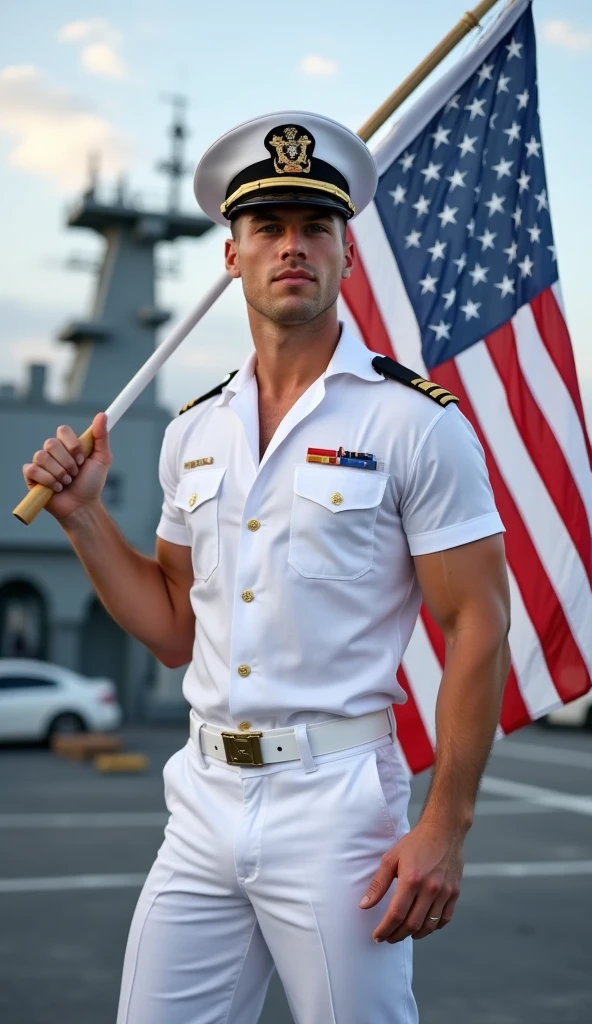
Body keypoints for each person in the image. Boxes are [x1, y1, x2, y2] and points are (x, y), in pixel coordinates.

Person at [22, 111, 510, 1024]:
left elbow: (477, 622)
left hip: (336, 804)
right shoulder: (194, 431)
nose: (293, 246)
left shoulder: (414, 423)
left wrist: (445, 825)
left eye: (316, 227)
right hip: (203, 797)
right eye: (268, 227)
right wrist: (85, 517)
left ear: (346, 255)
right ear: (232, 255)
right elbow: (174, 628)